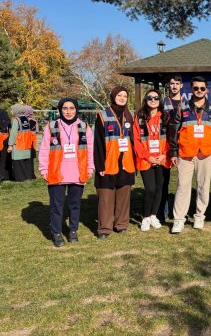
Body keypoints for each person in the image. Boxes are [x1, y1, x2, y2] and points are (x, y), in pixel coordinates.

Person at [38, 98, 94, 247]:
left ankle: (73, 230)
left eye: (71, 108)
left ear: (76, 110)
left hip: (78, 172)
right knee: (57, 205)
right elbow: (44, 149)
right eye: (65, 108)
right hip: (56, 172)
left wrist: (90, 168)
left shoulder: (84, 126)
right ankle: (56, 233)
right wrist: (43, 169)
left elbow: (90, 150)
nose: (68, 111)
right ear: (60, 110)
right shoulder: (51, 126)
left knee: (75, 204)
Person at [169, 76, 211, 233]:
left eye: (202, 88)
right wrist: (174, 152)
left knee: (203, 186)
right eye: (196, 88)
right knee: (182, 186)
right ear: (191, 89)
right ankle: (178, 219)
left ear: (206, 90)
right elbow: (173, 131)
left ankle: (199, 216)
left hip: (205, 153)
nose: (199, 91)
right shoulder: (182, 108)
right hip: (185, 153)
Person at [94, 86, 135, 239]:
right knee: (106, 196)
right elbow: (98, 142)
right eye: (119, 95)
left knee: (124, 195)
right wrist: (100, 165)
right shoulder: (103, 115)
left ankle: (121, 224)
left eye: (125, 95)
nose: (122, 98)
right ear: (113, 96)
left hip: (126, 162)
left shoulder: (129, 116)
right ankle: (104, 228)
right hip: (108, 161)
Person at [133, 90, 171, 232]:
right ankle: (145, 217)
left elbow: (170, 138)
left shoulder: (165, 117)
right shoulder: (140, 118)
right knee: (150, 189)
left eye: (156, 98)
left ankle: (154, 215)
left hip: (162, 158)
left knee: (159, 189)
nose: (153, 100)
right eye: (150, 98)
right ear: (146, 100)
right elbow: (136, 141)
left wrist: (164, 154)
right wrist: (147, 156)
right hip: (146, 159)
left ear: (159, 100)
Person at [158, 75, 187, 222]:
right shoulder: (162, 103)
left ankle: (182, 211)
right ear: (168, 86)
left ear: (181, 86)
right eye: (172, 83)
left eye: (177, 83)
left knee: (184, 181)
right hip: (166, 145)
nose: (174, 86)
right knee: (164, 181)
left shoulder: (187, 103)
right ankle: (163, 211)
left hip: (183, 146)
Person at [7, 104, 37, 181]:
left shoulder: (15, 120)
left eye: (12, 109)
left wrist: (10, 145)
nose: (11, 111)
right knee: (26, 163)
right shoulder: (26, 119)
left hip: (18, 145)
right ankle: (28, 177)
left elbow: (13, 133)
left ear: (16, 110)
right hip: (26, 144)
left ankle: (20, 178)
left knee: (18, 164)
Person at [0, 108, 11, 181]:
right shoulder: (4, 112)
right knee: (6, 157)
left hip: (2, 136)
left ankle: (2, 175)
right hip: (7, 137)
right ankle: (6, 175)